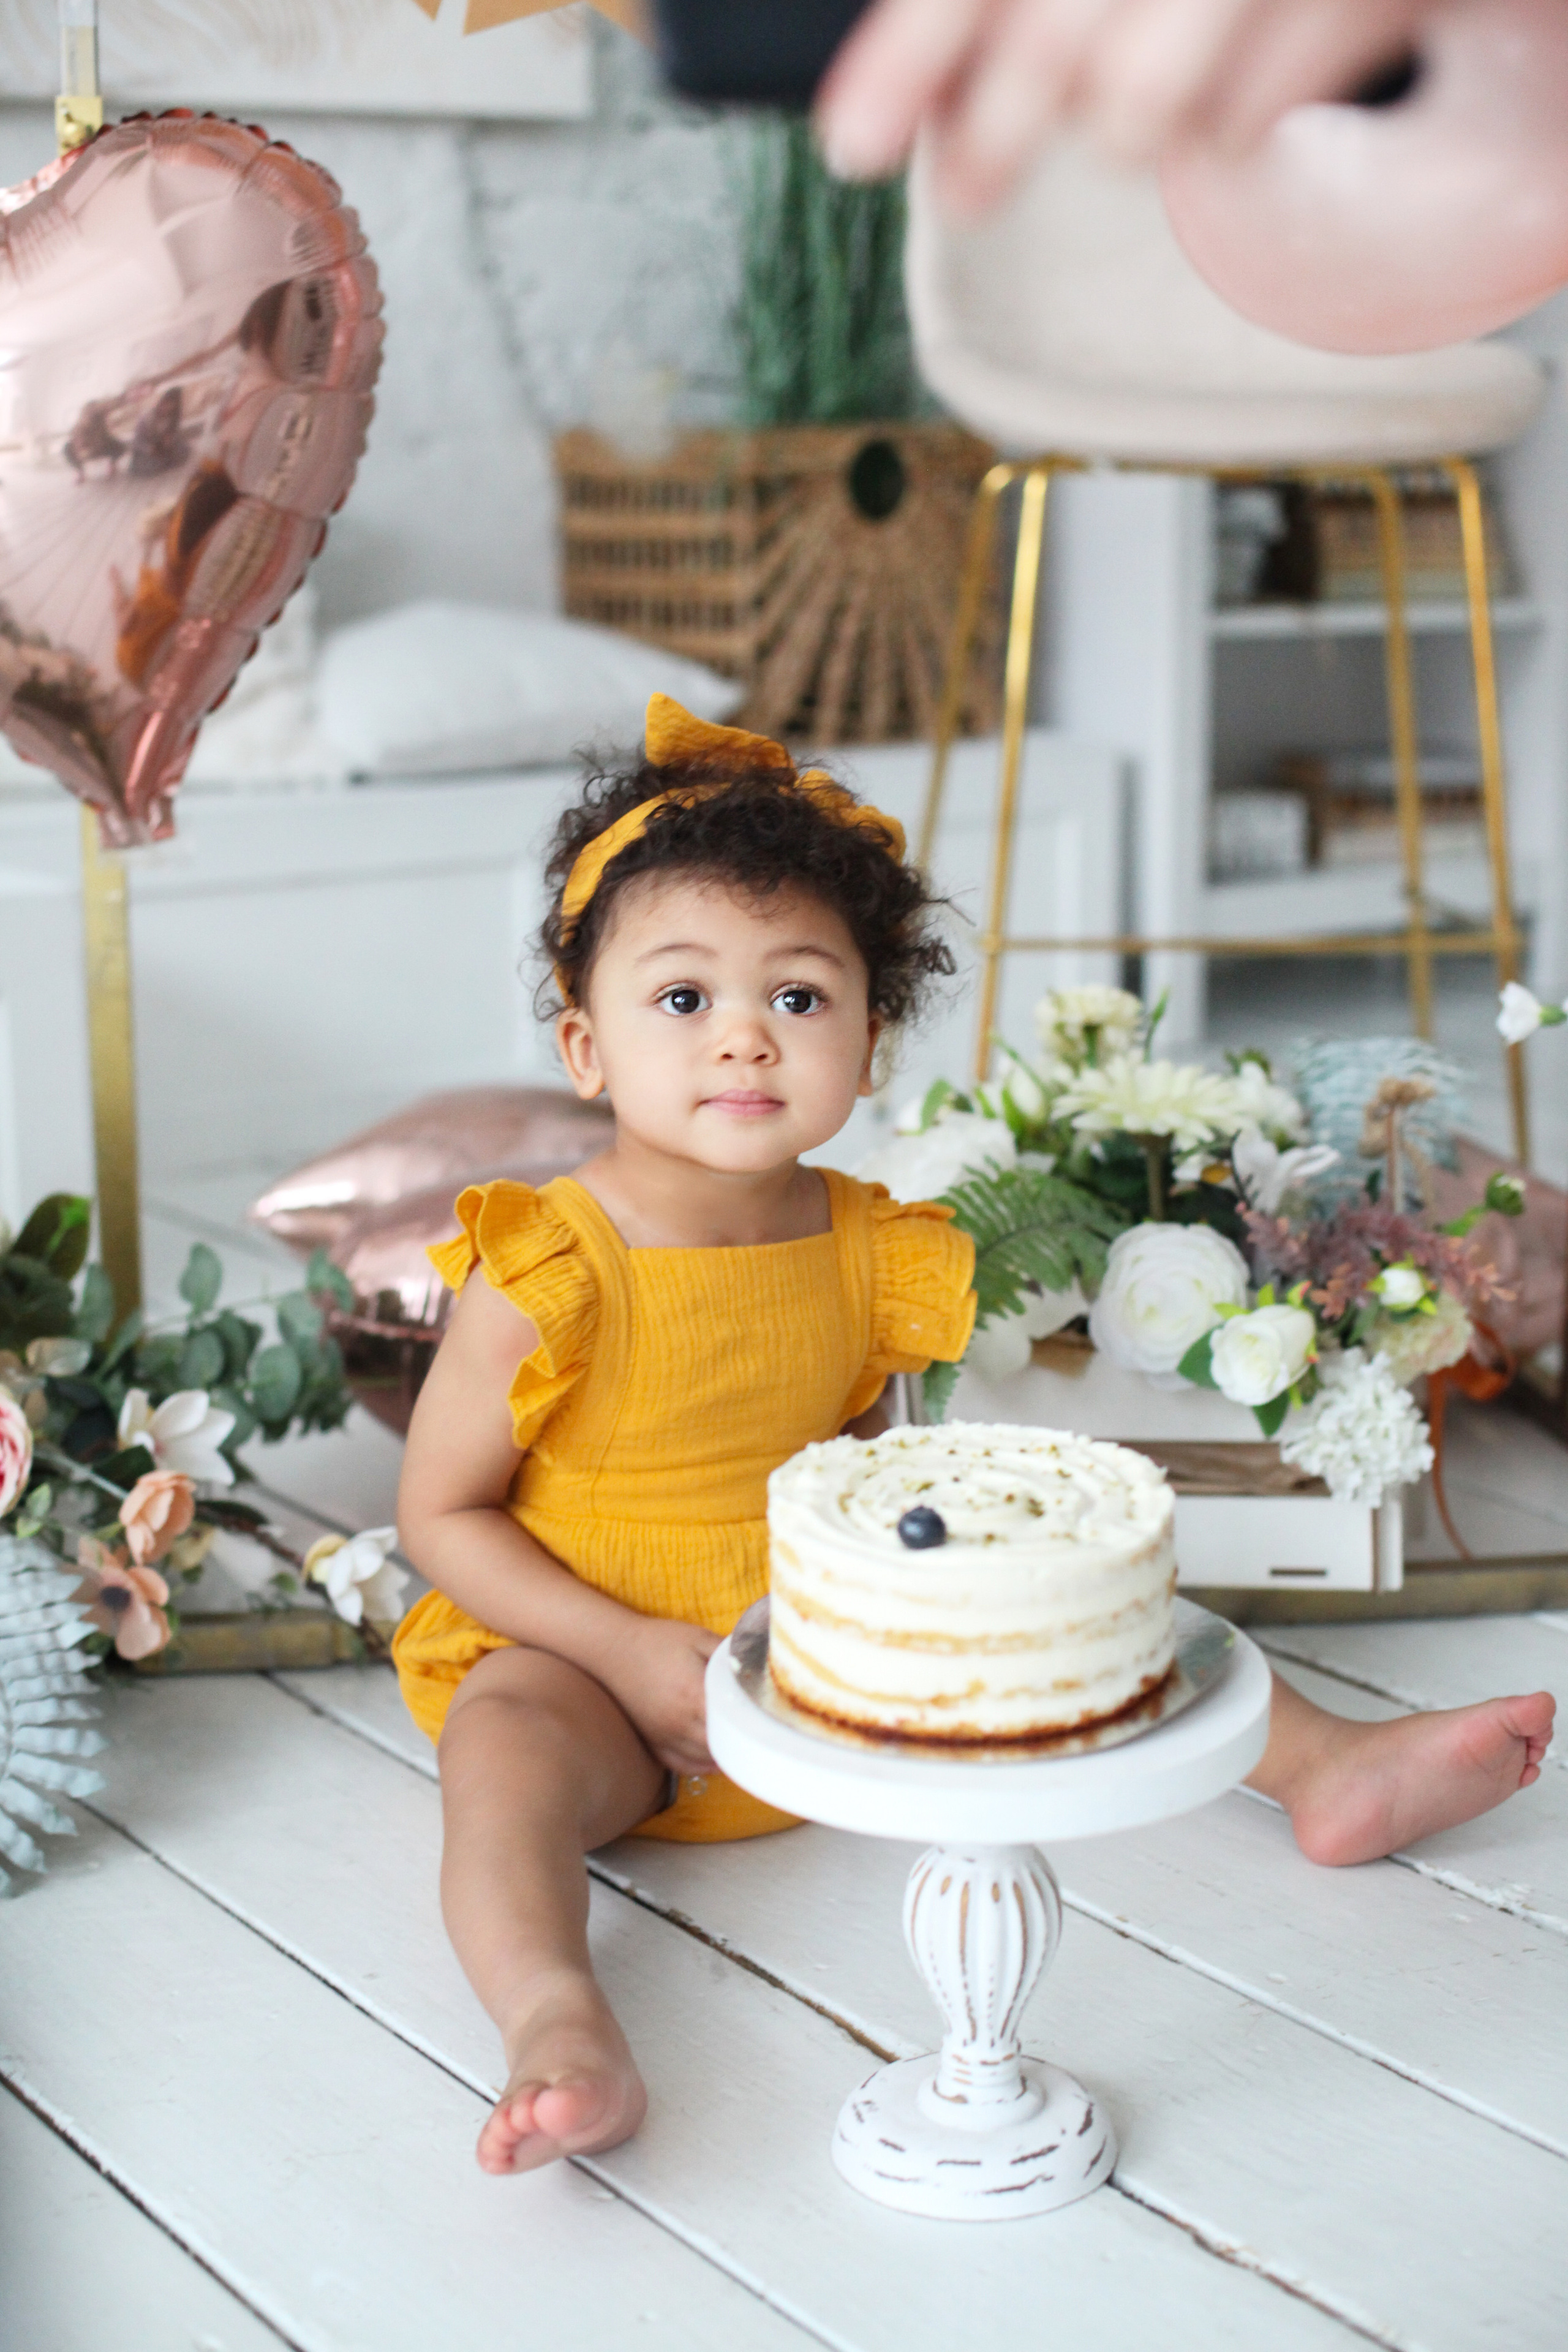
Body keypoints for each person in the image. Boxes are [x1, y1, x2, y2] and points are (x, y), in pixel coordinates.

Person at [393, 694, 1555, 2177]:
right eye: (682, 999)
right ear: (584, 1045)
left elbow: (877, 1476)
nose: (745, 1034)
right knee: (496, 1756)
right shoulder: (547, 1263)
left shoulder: (870, 1247)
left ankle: (1321, 1764)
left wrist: (913, 1607)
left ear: (869, 1046)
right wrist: (621, 1654)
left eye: (799, 998)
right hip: (592, 1679)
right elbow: (443, 1518)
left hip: (809, 1653)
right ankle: (559, 2020)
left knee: (1078, 1610)